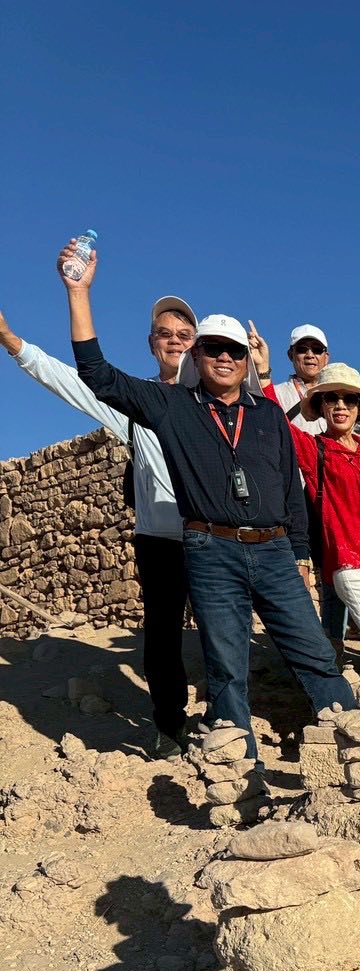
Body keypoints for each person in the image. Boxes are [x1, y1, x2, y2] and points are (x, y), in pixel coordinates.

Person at [59, 241, 354, 761]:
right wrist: (79, 293)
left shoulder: (266, 414)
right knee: (226, 667)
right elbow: (97, 375)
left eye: (234, 350)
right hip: (211, 550)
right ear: (196, 355)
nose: (225, 357)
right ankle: (240, 772)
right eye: (214, 348)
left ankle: (356, 746)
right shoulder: (172, 406)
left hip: (274, 551)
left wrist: (301, 555)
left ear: (245, 361)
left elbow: (291, 489)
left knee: (315, 653)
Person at [0, 294, 198, 757]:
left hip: (213, 534)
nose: (175, 342)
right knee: (163, 636)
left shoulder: (214, 399)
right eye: (165, 335)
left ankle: (230, 719)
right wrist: (11, 340)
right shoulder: (134, 402)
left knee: (223, 629)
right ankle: (170, 726)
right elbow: (72, 382)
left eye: (184, 336)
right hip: (160, 539)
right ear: (151, 344)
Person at [250, 328, 360, 687]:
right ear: (322, 406)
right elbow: (275, 422)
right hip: (351, 559)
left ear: (359, 408)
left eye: (349, 399)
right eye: (332, 399)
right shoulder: (315, 449)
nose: (341, 406)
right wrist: (263, 374)